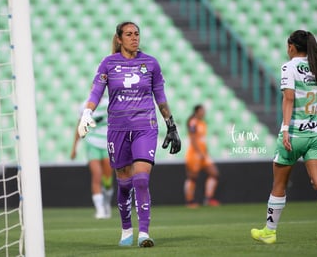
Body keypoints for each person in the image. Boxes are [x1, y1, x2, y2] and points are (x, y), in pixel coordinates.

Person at [77, 21, 181, 248]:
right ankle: (126, 228)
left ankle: (144, 233)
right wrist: (87, 112)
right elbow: (96, 91)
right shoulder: (108, 63)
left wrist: (170, 124)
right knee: (124, 185)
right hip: (117, 129)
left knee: (141, 179)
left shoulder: (151, 63)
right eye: (129, 34)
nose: (134, 38)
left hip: (146, 126)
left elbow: (160, 97)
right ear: (119, 39)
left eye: (137, 34)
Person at [251, 30, 317, 244]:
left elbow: (289, 99)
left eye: (287, 46)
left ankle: (270, 231)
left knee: (279, 184)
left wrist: (284, 129)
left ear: (292, 46)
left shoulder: (289, 66)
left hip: (295, 134)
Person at [71, 95, 113, 219]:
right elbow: (80, 127)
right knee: (97, 175)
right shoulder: (85, 105)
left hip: (107, 143)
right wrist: (74, 147)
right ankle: (99, 210)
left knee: (108, 179)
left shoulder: (109, 104)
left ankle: (106, 202)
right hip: (91, 144)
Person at [184, 104, 220, 208]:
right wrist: (199, 152)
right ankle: (189, 201)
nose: (204, 112)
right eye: (202, 110)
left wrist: (205, 153)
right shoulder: (193, 123)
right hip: (195, 154)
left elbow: (202, 141)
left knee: (214, 173)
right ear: (197, 111)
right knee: (192, 177)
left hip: (203, 154)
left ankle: (208, 198)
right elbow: (193, 139)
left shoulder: (203, 123)